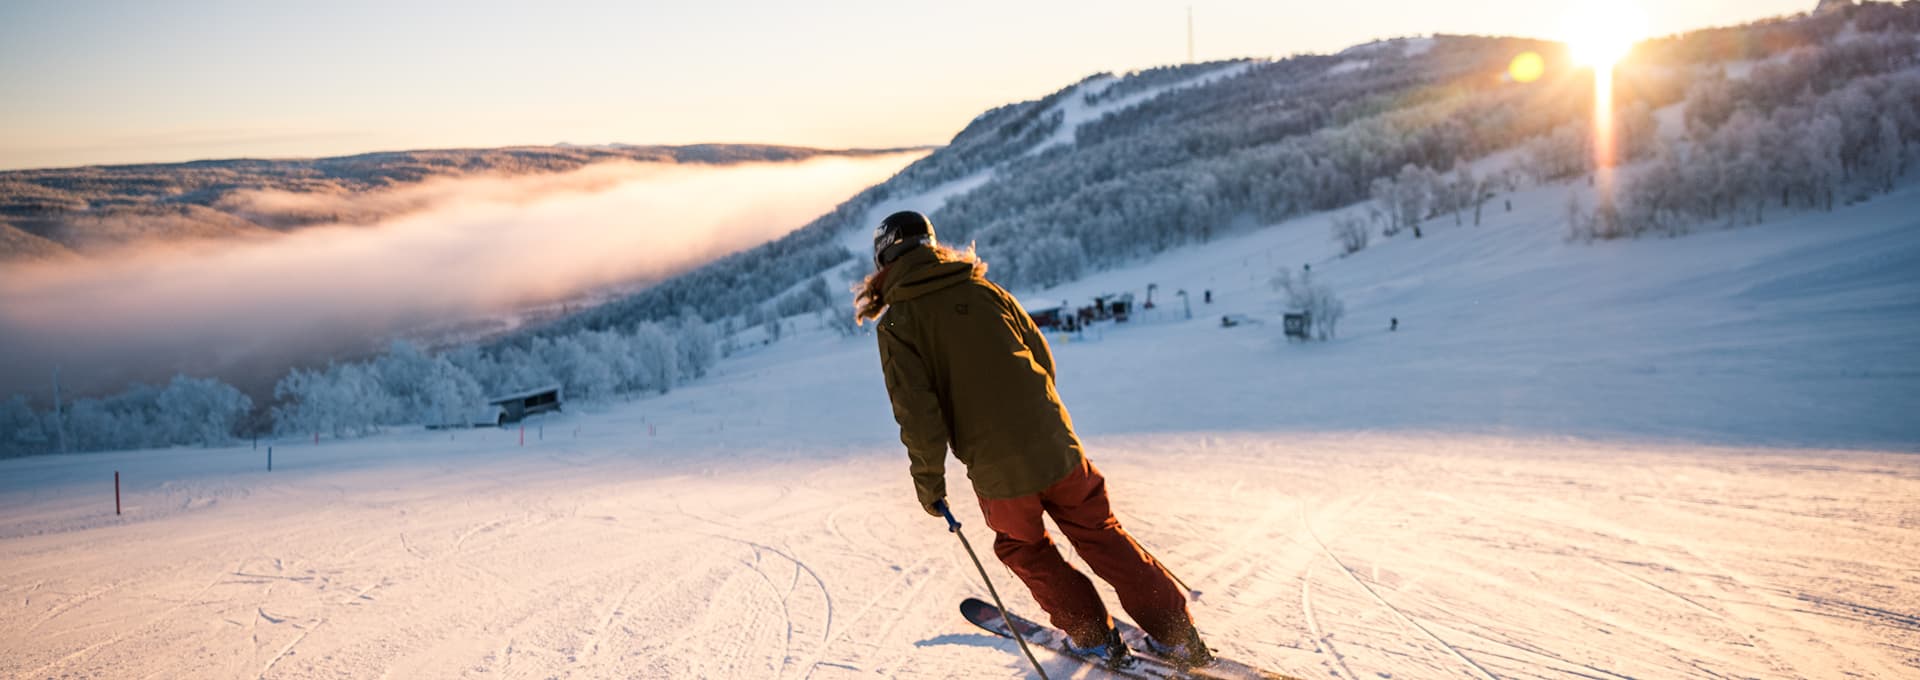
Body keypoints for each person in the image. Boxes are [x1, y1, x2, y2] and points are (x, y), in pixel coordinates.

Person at [854, 211, 1210, 669]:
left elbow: (919, 417)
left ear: (884, 260)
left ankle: (1094, 636)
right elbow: (1042, 359)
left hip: (999, 469)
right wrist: (1037, 420)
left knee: (1025, 548)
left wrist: (930, 486)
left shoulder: (898, 324)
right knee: (1100, 533)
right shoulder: (985, 291)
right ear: (932, 245)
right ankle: (1176, 633)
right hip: (1057, 444)